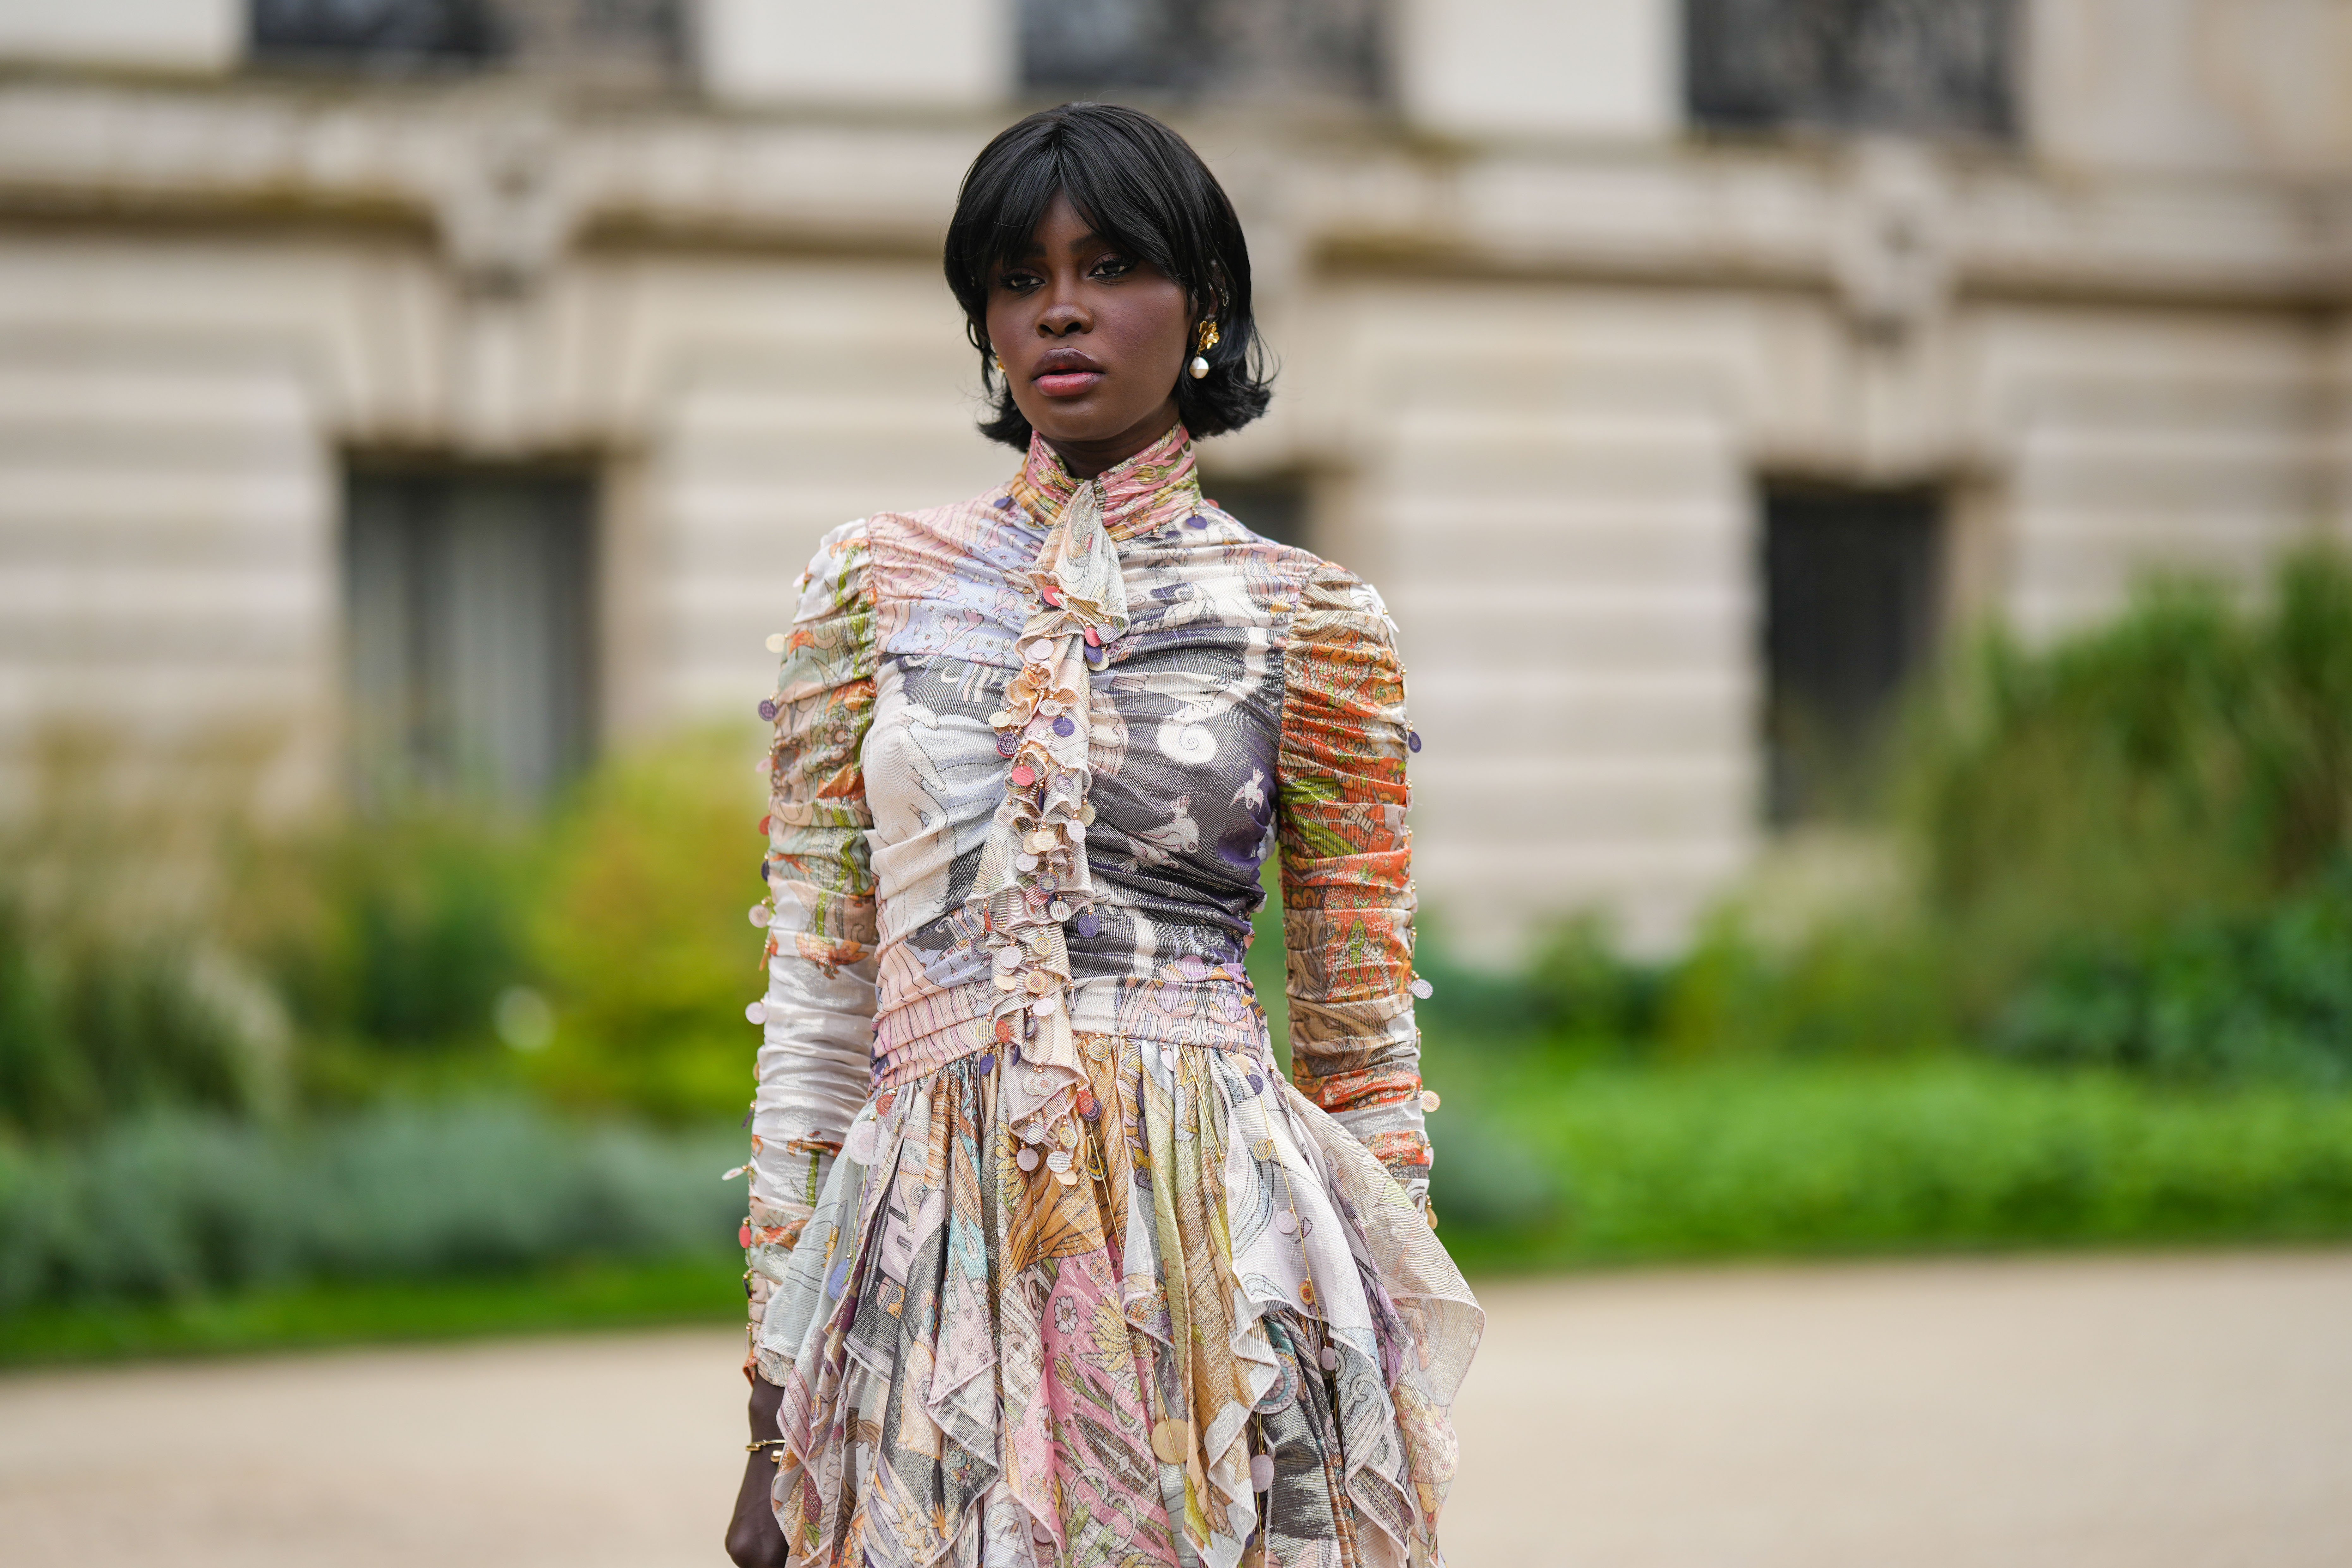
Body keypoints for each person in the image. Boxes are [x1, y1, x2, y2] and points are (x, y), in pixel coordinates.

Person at [725, 102, 1480, 1568]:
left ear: (1202, 305)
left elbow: (1359, 1036)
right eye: (1018, 276)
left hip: (1215, 1257)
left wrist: (1378, 1392)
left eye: (1111, 263)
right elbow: (818, 1006)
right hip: (928, 1253)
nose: (1059, 306)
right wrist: (771, 1405)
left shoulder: (1312, 618)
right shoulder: (865, 586)